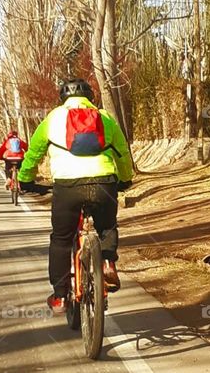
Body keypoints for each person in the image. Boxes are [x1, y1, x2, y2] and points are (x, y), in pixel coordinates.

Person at [18, 78, 133, 315]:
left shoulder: (52, 119)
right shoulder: (105, 118)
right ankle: (109, 262)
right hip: (103, 184)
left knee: (61, 239)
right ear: (90, 97)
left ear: (62, 98)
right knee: (107, 227)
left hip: (67, 187)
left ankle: (60, 296)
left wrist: (25, 179)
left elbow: (34, 153)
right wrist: (124, 178)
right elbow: (122, 152)